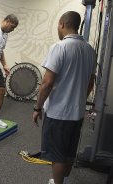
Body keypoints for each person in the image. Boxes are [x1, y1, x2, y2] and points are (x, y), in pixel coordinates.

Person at [32, 11, 96, 184]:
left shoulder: (59, 47)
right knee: (69, 152)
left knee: (57, 155)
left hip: (59, 113)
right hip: (77, 113)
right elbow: (91, 83)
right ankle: (65, 180)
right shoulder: (90, 50)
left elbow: (46, 83)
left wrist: (37, 108)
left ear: (61, 24)